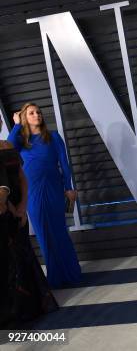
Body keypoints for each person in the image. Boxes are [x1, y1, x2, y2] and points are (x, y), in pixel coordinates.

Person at [8, 103, 81, 288]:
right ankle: (55, 277)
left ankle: (71, 274)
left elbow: (64, 164)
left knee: (59, 232)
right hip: (32, 191)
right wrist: (16, 125)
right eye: (31, 113)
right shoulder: (21, 140)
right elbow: (8, 148)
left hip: (54, 189)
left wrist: (69, 187)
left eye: (38, 112)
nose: (37, 115)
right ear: (25, 117)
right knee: (43, 234)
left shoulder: (54, 137)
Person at [0, 117, 59, 328]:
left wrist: (23, 206)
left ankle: (31, 305)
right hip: (3, 211)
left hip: (18, 210)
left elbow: (22, 178)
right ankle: (12, 311)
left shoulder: (7, 145)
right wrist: (11, 208)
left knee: (24, 254)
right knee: (8, 261)